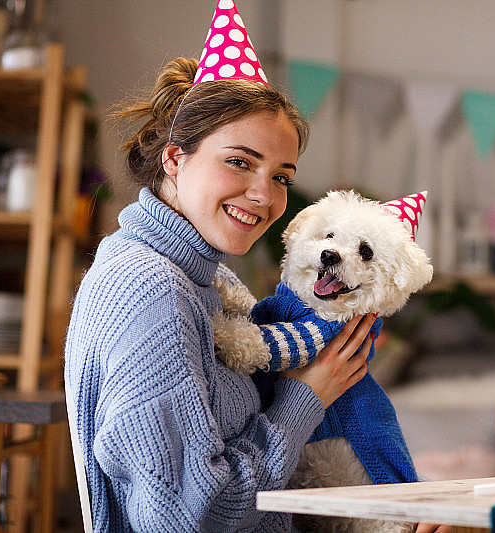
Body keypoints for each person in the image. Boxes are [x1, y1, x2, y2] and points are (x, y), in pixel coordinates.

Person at [65, 2, 451, 531]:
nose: (263, 196)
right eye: (240, 161)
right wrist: (306, 398)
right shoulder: (148, 288)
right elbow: (189, 517)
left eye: (281, 177)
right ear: (175, 160)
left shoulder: (207, 279)